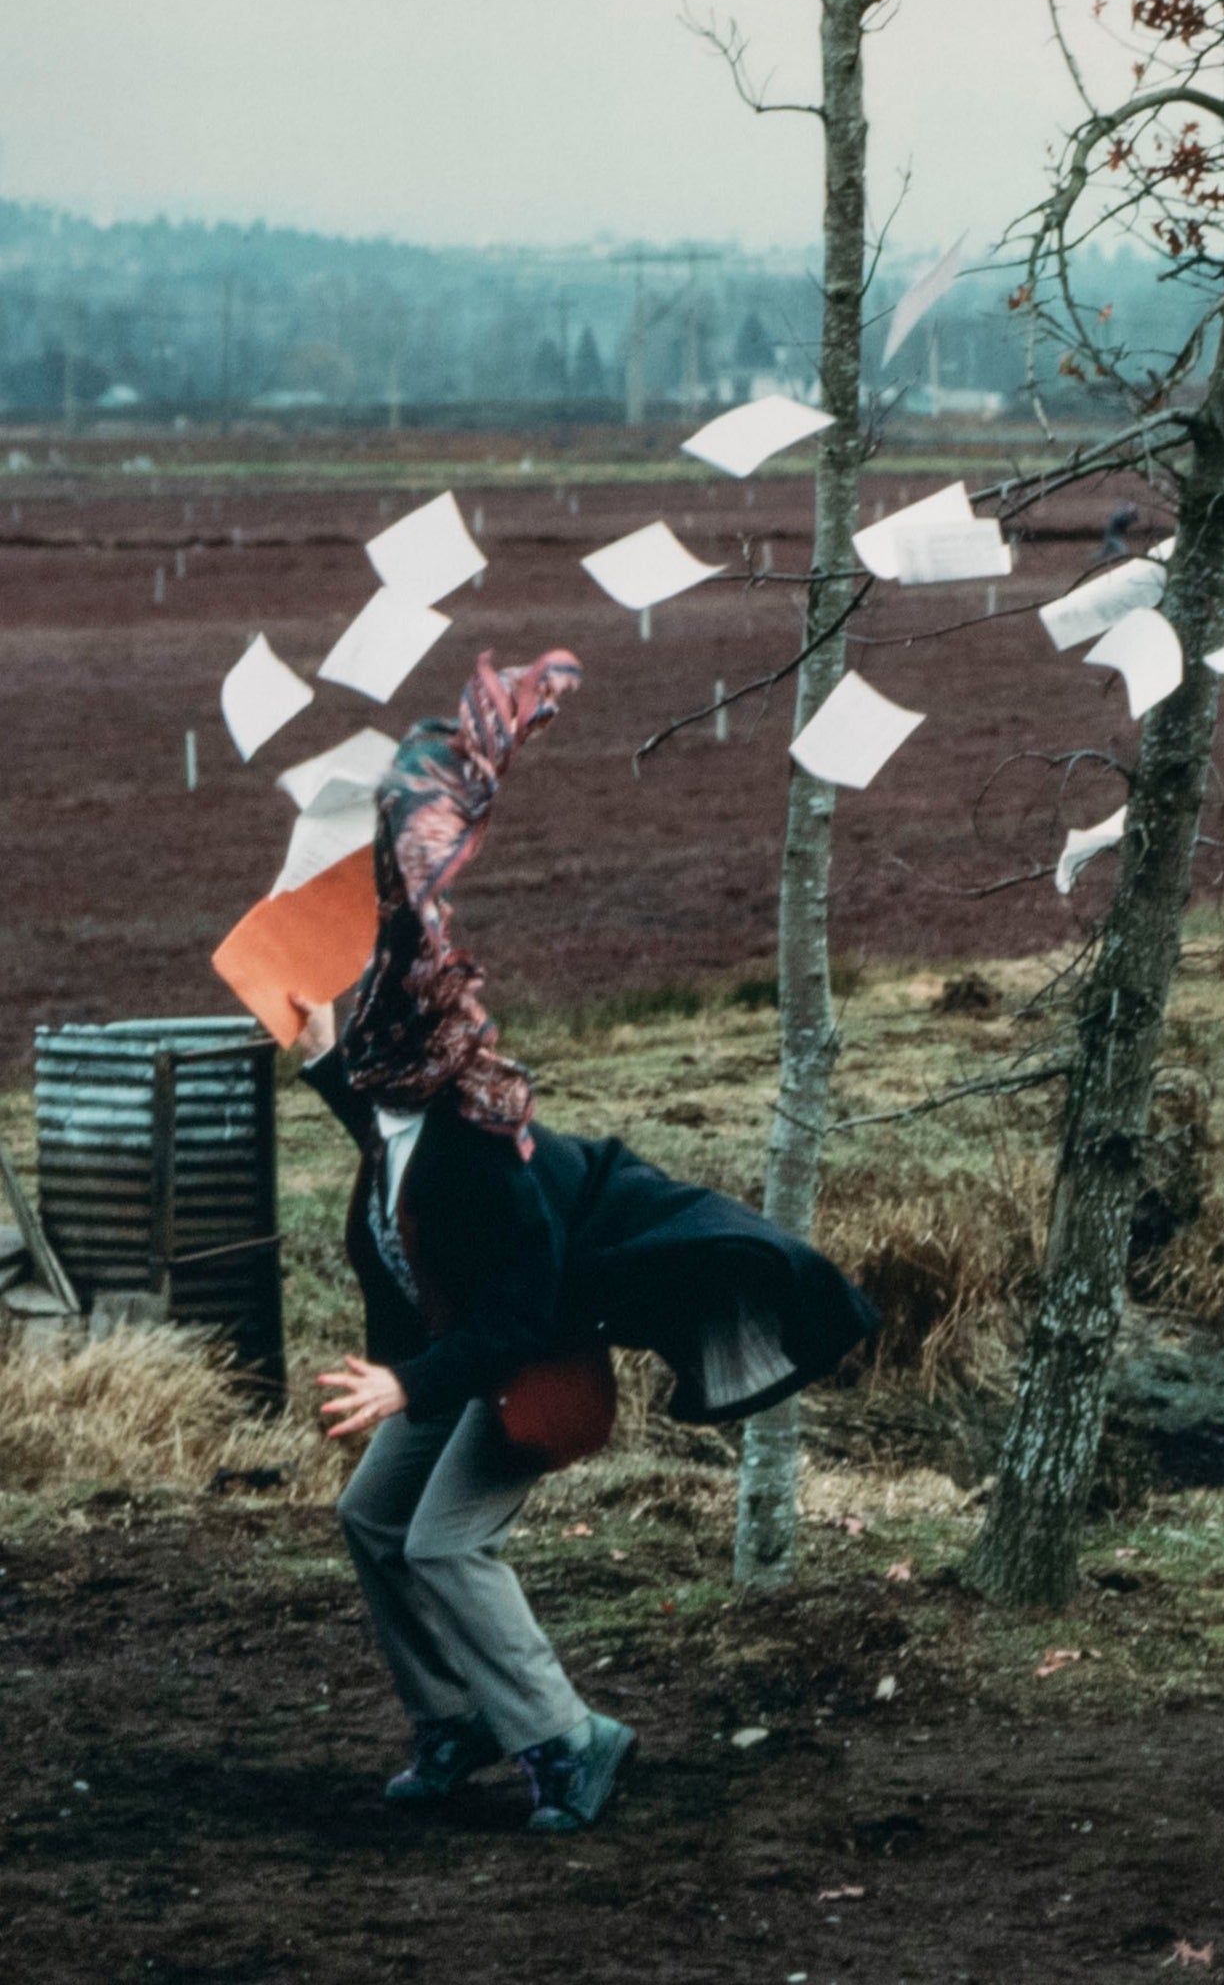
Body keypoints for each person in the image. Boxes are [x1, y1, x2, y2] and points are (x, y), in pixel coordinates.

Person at [295, 651, 881, 1834]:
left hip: (536, 1362)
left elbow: (518, 1315)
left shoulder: (474, 1154)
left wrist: (406, 1380)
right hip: (464, 1358)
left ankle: (569, 1739)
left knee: (448, 1544)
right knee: (371, 1522)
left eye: (363, 1025)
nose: (354, 1025)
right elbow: (379, 1120)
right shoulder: (401, 1111)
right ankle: (453, 1718)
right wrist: (315, 1048)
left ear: (415, 1055)